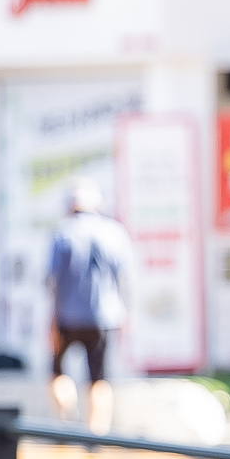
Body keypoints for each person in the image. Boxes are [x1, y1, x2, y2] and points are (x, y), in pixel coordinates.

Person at [45, 177, 136, 431]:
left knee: (56, 372)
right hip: (104, 317)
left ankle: (66, 418)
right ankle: (96, 434)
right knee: (98, 378)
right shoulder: (113, 231)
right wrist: (128, 312)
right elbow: (126, 276)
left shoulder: (61, 232)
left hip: (66, 316)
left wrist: (51, 320)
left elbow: (51, 280)